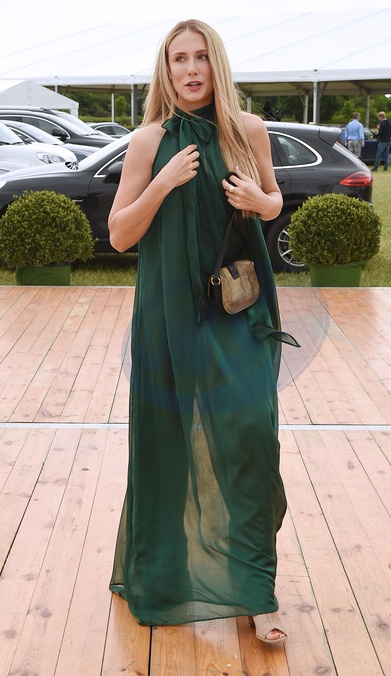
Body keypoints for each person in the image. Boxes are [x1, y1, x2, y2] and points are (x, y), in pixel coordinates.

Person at [108, 19, 299, 644]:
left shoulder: (248, 130)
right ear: (165, 70)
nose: (191, 70)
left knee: (251, 440)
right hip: (166, 313)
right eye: (178, 59)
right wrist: (162, 182)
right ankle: (161, 576)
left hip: (237, 308)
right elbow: (119, 235)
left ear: (217, 64)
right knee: (165, 442)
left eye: (200, 58)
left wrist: (261, 201)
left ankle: (256, 591)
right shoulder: (148, 141)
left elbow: (274, 201)